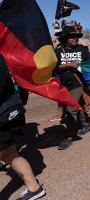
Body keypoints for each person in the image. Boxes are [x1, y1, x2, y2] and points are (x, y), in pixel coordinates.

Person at [0, 54, 46, 200]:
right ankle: (35, 188)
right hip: (7, 113)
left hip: (4, 114)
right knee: (9, 154)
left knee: (9, 153)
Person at [54, 26, 90, 150]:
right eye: (72, 36)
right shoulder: (58, 51)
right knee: (79, 105)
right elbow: (53, 67)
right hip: (63, 85)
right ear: (65, 38)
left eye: (76, 36)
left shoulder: (83, 49)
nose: (75, 38)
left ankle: (69, 137)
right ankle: (86, 123)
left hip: (78, 84)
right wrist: (68, 65)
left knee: (71, 109)